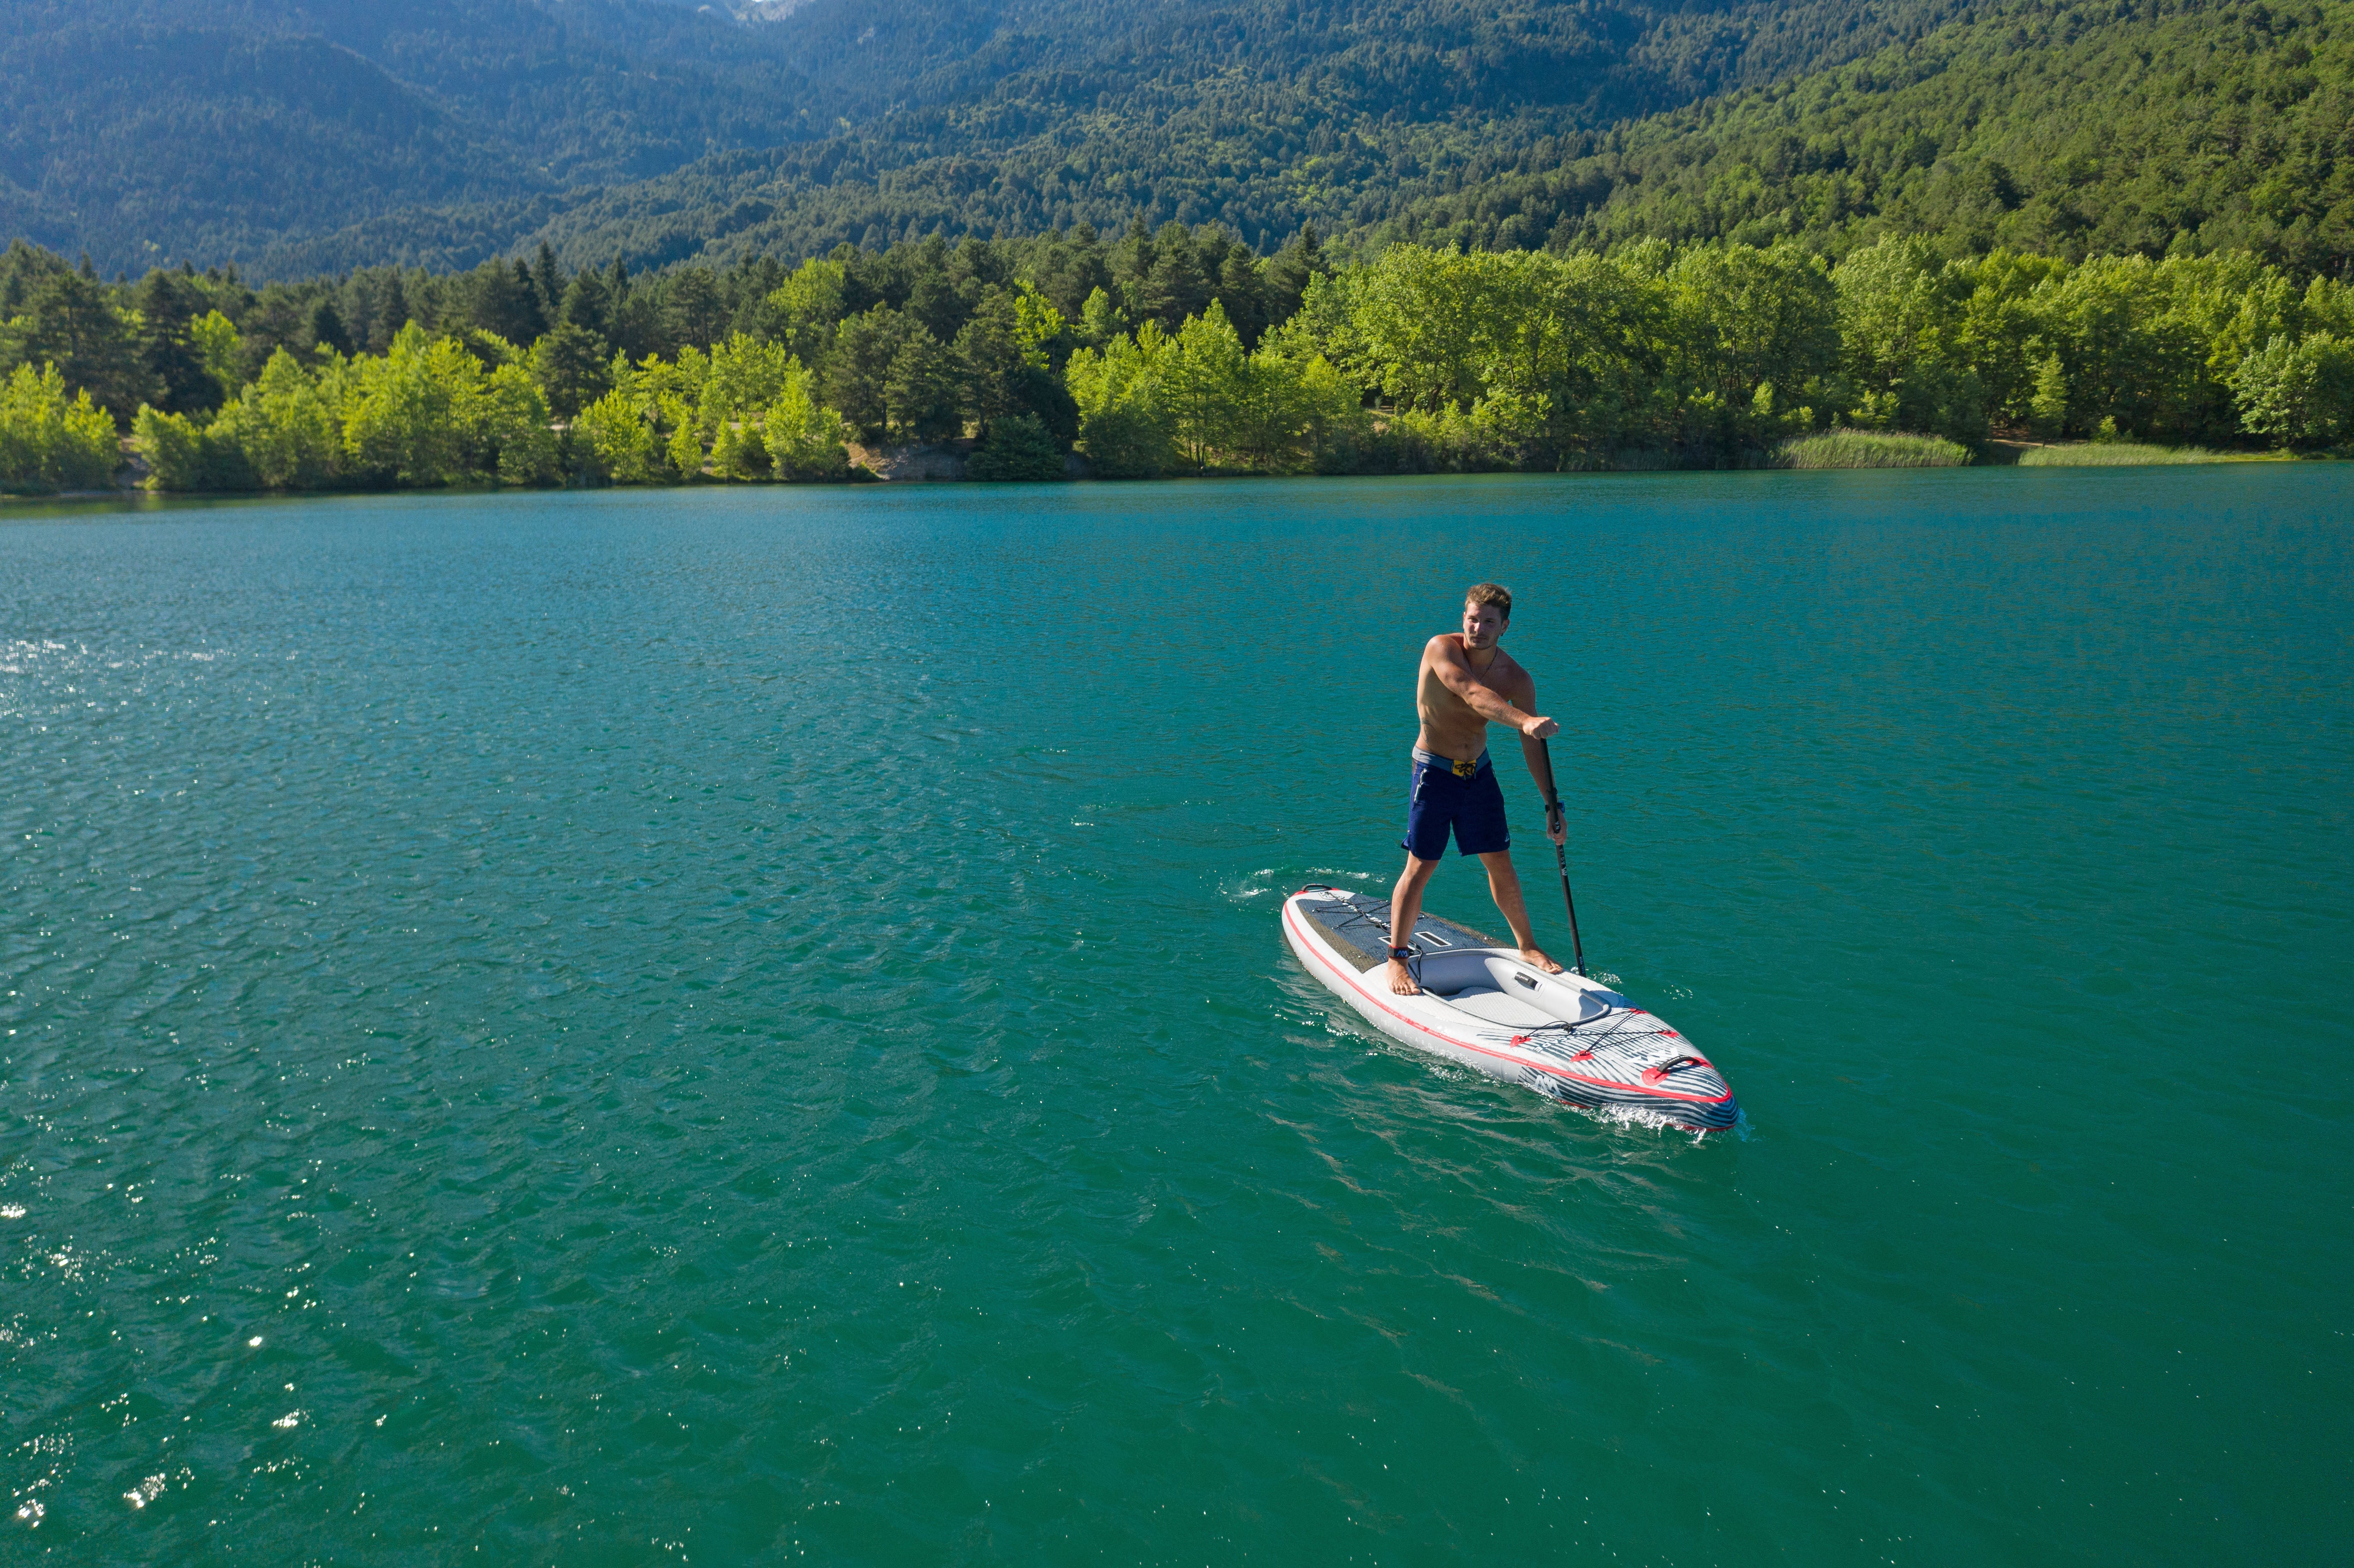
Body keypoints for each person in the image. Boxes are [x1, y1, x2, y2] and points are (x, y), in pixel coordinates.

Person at [1387, 582, 1566, 996]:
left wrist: (1551, 804)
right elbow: (1472, 693)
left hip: (1478, 775)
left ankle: (1528, 946)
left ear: (1505, 627)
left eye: (1488, 622)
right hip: (1433, 772)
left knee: (1500, 861)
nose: (1478, 629)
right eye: (1472, 619)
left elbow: (1532, 746)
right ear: (1463, 618)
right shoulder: (1441, 650)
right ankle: (1397, 958)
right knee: (1422, 865)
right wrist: (1525, 720)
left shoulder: (1516, 679)